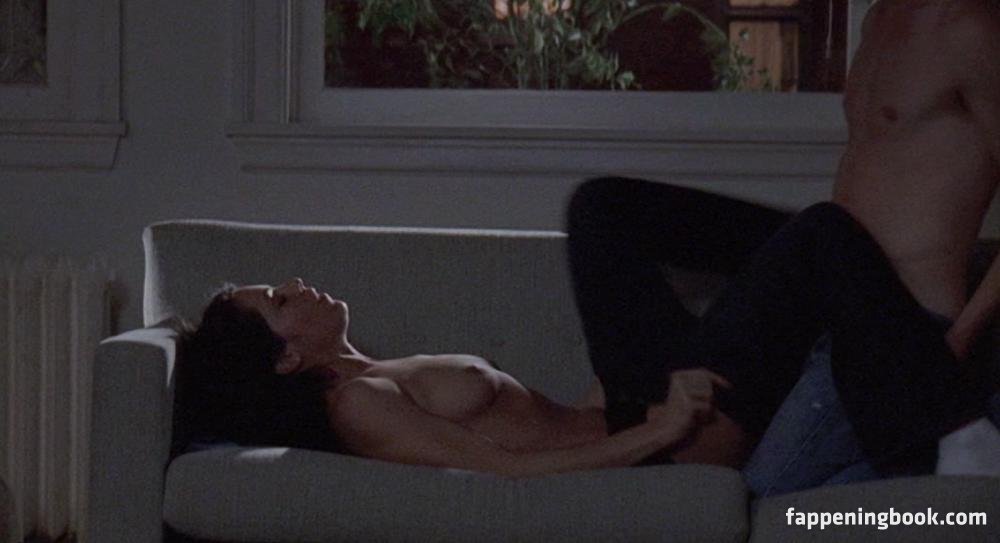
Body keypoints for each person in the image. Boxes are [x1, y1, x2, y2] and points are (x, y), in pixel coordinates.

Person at [566, 0, 1000, 495]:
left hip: (896, 321)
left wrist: (952, 349)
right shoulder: (880, 19)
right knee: (603, 207)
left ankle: (959, 428)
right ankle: (637, 408)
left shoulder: (971, 28)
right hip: (813, 285)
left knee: (759, 491)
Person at [173, 278, 733, 476]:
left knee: (603, 217)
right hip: (661, 447)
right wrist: (663, 430)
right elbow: (509, 470)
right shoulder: (358, 402)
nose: (297, 284)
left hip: (625, 411)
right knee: (599, 209)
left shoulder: (376, 372)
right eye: (280, 299)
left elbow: (544, 424)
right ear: (286, 359)